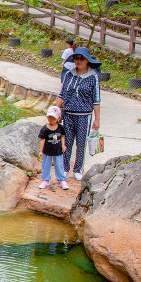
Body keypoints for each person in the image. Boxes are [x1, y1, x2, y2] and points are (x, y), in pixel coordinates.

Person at [59, 50, 101, 179]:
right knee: (66, 142)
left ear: (87, 60)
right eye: (76, 58)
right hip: (68, 114)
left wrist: (97, 119)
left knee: (81, 143)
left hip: (84, 115)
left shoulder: (93, 77)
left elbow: (96, 100)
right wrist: (56, 111)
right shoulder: (68, 75)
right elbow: (61, 94)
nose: (78, 61)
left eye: (81, 58)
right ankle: (65, 169)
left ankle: (78, 169)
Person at [37, 106, 69, 190]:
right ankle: (46, 179)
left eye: (53, 118)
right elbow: (42, 140)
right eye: (49, 117)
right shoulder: (45, 129)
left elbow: (62, 136)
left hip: (58, 150)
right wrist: (40, 151)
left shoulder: (61, 128)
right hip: (47, 151)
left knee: (59, 165)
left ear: (58, 118)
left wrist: (63, 145)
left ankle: (62, 180)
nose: (50, 120)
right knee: (46, 165)